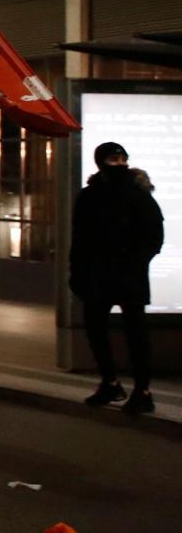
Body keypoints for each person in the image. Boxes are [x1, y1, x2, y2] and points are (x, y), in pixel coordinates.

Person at [69, 141, 164, 416]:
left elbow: (153, 236)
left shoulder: (135, 195)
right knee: (99, 328)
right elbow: (80, 238)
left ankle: (140, 389)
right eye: (113, 158)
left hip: (125, 273)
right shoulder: (92, 196)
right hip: (101, 273)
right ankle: (112, 382)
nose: (118, 162)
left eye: (121, 158)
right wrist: (78, 271)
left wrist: (136, 260)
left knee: (134, 332)